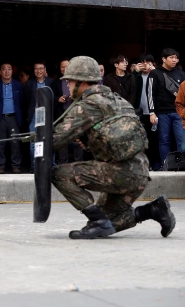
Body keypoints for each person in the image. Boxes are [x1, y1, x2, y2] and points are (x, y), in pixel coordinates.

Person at [51, 56, 175, 239]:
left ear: (82, 82)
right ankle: (154, 210)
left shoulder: (88, 105)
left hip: (120, 173)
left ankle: (97, 220)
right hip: (139, 173)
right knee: (108, 224)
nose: (68, 86)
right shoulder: (117, 100)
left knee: (58, 174)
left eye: (70, 81)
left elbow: (55, 141)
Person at [147, 48, 185, 165]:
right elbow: (150, 94)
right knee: (164, 141)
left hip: (179, 112)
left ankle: (182, 164)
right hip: (162, 113)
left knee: (181, 140)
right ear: (164, 59)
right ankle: (166, 165)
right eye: (171, 57)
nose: (175, 60)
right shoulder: (155, 73)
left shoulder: (180, 73)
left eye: (176, 58)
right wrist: (152, 112)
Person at [0, 62, 23, 174]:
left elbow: (22, 102)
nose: (7, 71)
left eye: (9, 69)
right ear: (0, 72)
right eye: (4, 69)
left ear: (12, 71)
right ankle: (0, 166)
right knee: (0, 143)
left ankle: (16, 166)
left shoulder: (18, 85)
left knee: (15, 143)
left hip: (14, 117)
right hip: (0, 118)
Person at [24, 60, 54, 171]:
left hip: (48, 115)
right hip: (34, 115)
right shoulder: (30, 83)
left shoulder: (51, 82)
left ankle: (51, 165)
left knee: (50, 141)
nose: (39, 71)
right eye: (36, 68)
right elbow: (27, 100)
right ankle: (34, 166)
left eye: (41, 68)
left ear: (45, 70)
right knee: (33, 141)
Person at [53, 58, 83, 164]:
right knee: (62, 141)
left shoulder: (78, 81)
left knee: (78, 140)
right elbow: (51, 97)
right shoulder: (56, 82)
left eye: (67, 66)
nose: (64, 69)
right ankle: (63, 165)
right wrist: (58, 99)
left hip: (76, 115)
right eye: (62, 67)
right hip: (62, 115)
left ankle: (78, 164)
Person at [134, 53, 160, 170]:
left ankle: (155, 163)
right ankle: (143, 164)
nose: (145, 65)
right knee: (140, 140)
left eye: (148, 62)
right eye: (142, 62)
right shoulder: (136, 76)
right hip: (139, 112)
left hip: (154, 113)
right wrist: (135, 72)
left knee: (154, 139)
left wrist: (156, 72)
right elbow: (130, 87)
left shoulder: (157, 75)